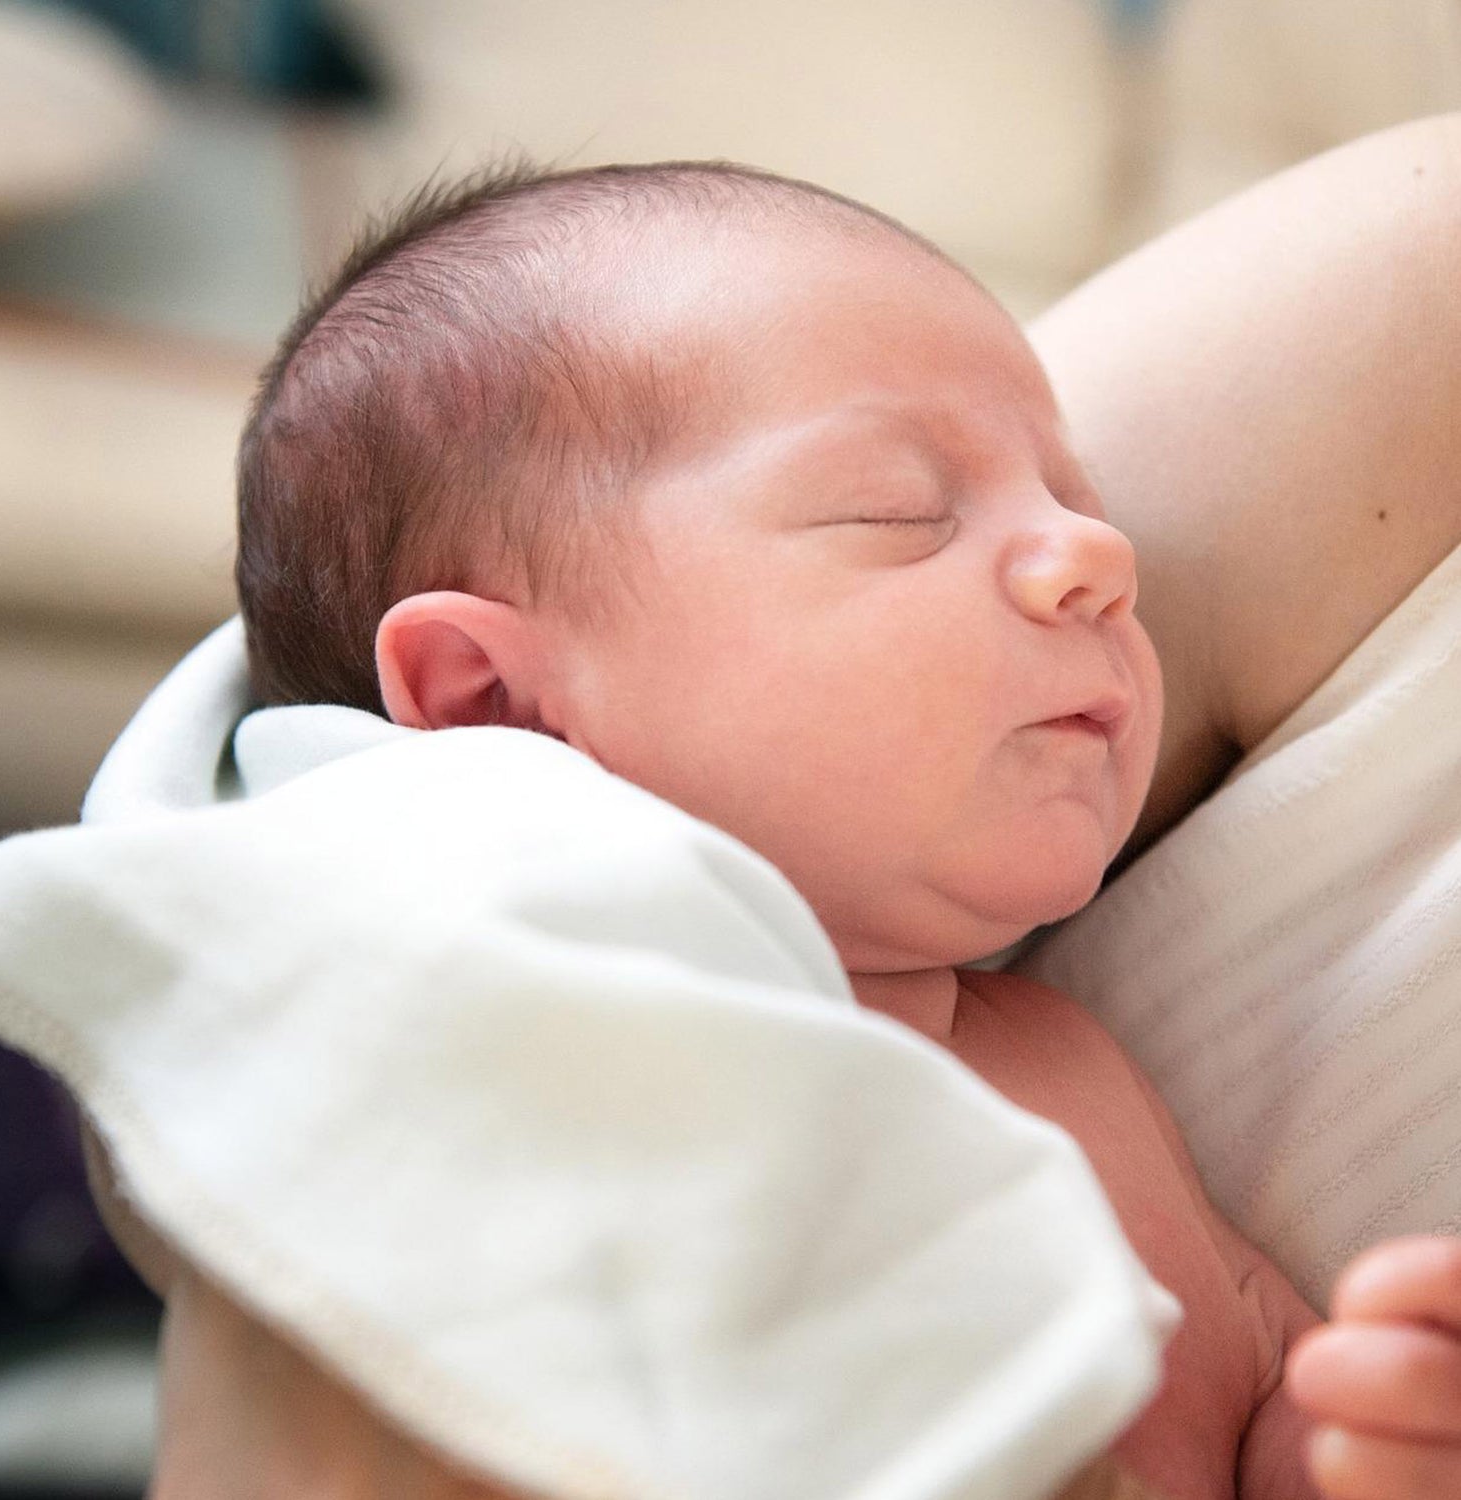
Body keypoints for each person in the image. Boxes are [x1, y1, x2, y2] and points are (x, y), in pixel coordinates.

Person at [146, 114, 1461, 1500]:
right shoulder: (509, 1083)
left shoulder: (1081, 1074)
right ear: (495, 705)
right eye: (900, 511)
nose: (1097, 555)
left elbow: (1255, 1387)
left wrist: (1361, 1439)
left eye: (1074, 492)